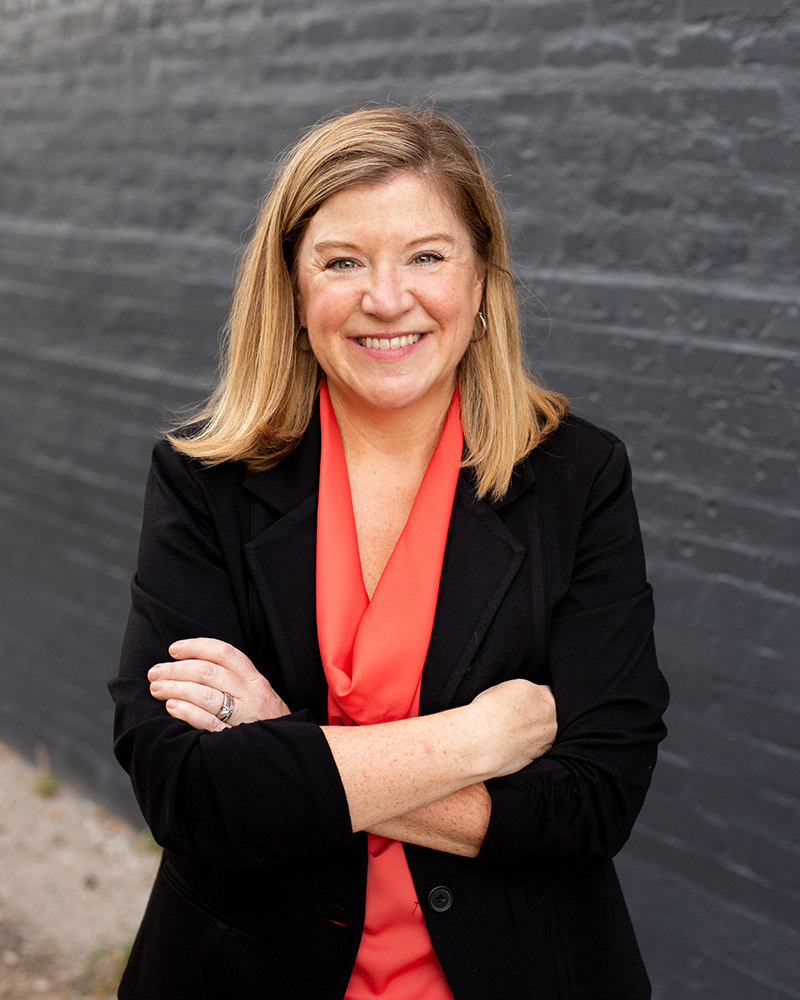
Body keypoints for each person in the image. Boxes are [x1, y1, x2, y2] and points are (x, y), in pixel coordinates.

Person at [109, 105, 668, 1000]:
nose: (386, 297)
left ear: (482, 280)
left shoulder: (578, 477)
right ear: (291, 291)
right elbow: (187, 789)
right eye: (342, 261)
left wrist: (282, 745)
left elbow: (595, 797)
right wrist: (476, 739)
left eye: (427, 255)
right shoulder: (203, 479)